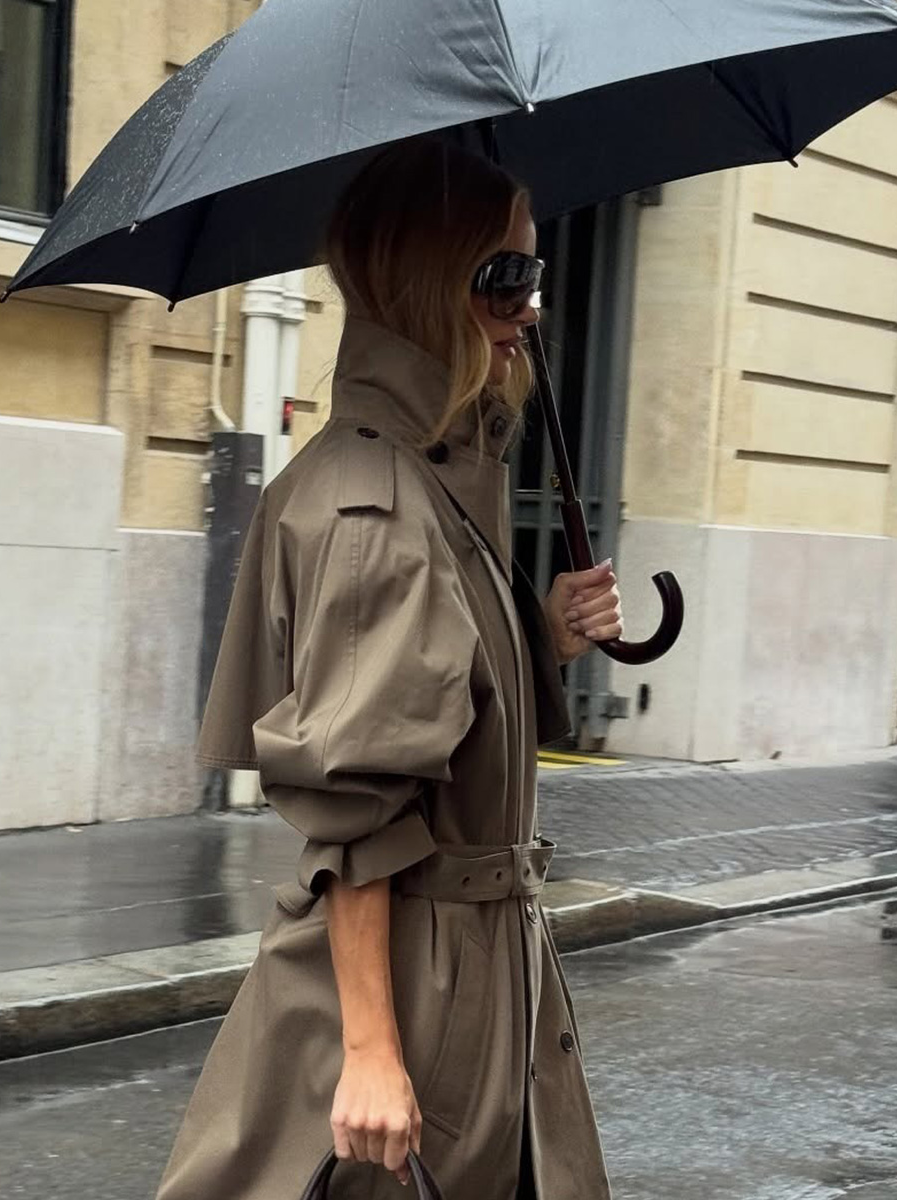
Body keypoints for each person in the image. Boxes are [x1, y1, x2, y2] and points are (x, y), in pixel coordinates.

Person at [155, 138, 620, 1200]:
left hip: (468, 960)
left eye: (532, 277)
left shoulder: (432, 475)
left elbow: (433, 704)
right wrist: (371, 1049)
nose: (529, 311)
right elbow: (359, 805)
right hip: (422, 975)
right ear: (423, 285)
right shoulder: (379, 504)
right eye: (507, 279)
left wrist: (541, 633)